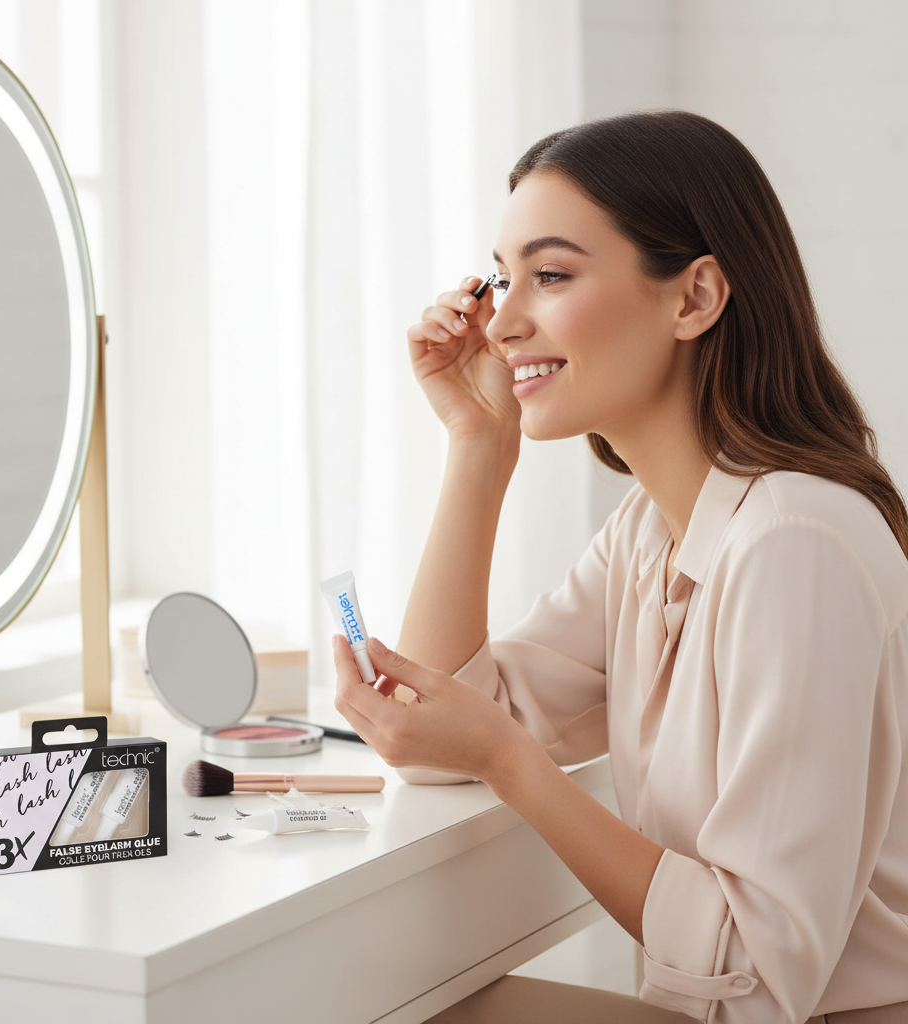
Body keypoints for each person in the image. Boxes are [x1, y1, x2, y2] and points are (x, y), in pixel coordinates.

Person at [332, 111, 908, 1023]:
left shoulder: (798, 543)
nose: (504, 322)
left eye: (551, 276)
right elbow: (439, 732)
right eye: (499, 278)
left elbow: (757, 980)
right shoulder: (651, 534)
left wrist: (513, 763)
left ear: (694, 297)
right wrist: (478, 446)